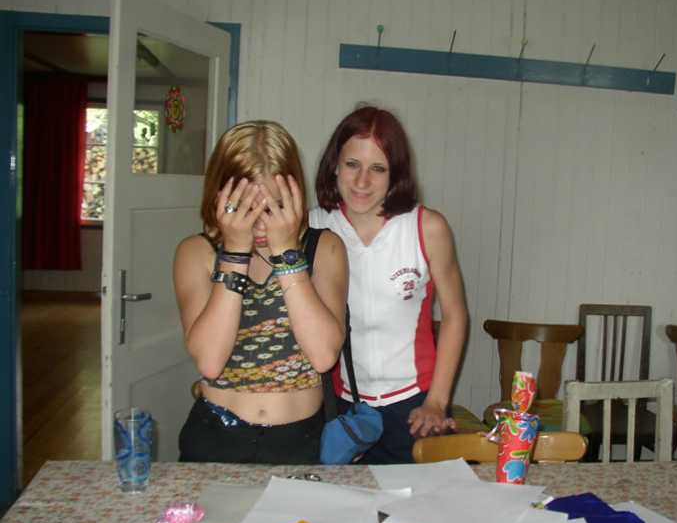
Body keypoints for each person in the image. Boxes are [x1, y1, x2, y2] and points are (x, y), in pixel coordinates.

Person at [174, 120, 348, 464]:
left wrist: (287, 255)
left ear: (295, 198)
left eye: (273, 208)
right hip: (216, 438)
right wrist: (235, 254)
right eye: (244, 209)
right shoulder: (196, 252)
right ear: (219, 198)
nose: (260, 224)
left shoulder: (325, 247)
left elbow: (323, 356)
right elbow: (210, 361)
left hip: (301, 441)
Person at [310, 105, 469, 464]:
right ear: (334, 165)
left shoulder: (427, 228)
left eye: (378, 168)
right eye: (352, 164)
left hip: (414, 405)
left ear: (395, 172)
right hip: (342, 406)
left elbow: (455, 316)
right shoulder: (313, 227)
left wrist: (437, 401)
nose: (362, 181)